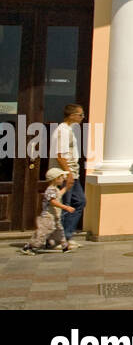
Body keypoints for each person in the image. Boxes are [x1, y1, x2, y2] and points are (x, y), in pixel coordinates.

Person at [20, 167, 74, 254]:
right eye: (61, 177)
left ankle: (65, 246)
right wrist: (66, 207)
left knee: (60, 231)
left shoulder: (55, 189)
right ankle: (29, 247)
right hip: (48, 217)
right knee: (43, 233)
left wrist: (66, 188)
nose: (63, 179)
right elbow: (53, 202)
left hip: (55, 216)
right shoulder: (50, 190)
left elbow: (59, 195)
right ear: (56, 179)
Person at [53, 104, 85, 248]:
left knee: (79, 201)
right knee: (66, 205)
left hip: (73, 173)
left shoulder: (69, 130)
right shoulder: (63, 131)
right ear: (71, 115)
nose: (82, 117)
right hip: (66, 174)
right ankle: (59, 240)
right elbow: (60, 156)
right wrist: (68, 173)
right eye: (80, 115)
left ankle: (67, 235)